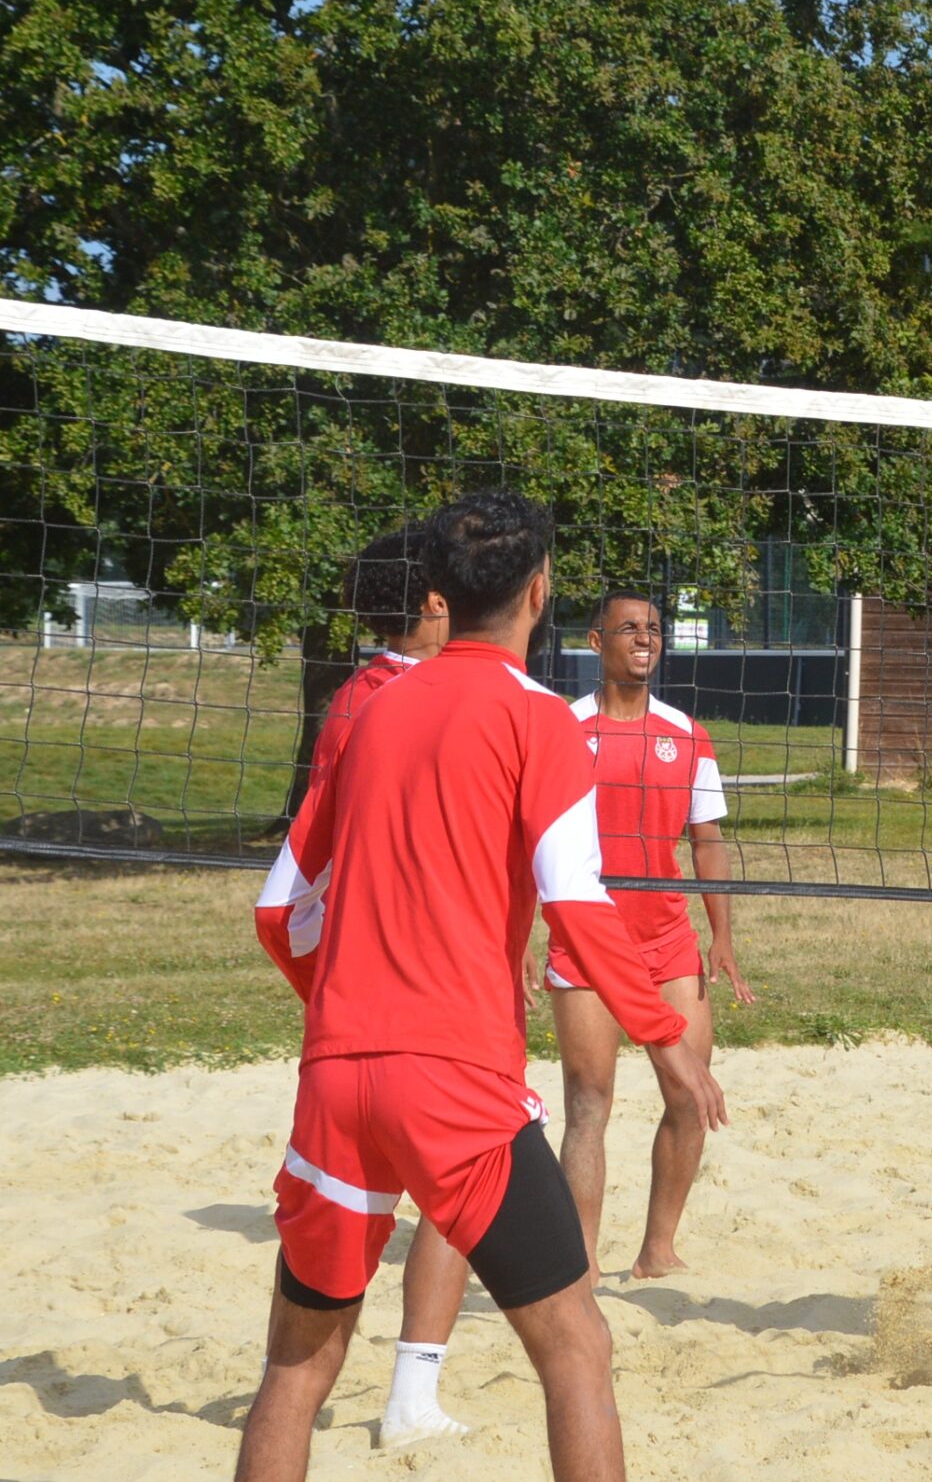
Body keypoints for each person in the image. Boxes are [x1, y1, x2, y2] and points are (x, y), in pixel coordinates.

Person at [235, 491, 725, 1482]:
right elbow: (576, 904)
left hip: (335, 1076)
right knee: (577, 1346)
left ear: (440, 591)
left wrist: (344, 1012)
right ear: (539, 592)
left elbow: (280, 911)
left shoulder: (366, 711)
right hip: (454, 1079)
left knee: (295, 1368)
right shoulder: (540, 718)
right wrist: (666, 1036)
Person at [251, 524, 471, 1450]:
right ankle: (412, 1392)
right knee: (466, 1194)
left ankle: (363, 1394)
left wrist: (330, 995)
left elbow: (286, 905)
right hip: (429, 1011)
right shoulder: (425, 703)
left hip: (356, 1028)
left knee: (322, 1273)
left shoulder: (353, 698)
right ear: (434, 601)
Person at [547, 590, 749, 1283]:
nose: (645, 638)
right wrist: (516, 942)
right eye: (629, 627)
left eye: (655, 628)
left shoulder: (687, 733)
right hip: (583, 940)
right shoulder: (561, 729)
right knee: (588, 1105)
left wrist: (721, 935)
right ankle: (580, 1263)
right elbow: (525, 845)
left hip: (667, 939)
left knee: (690, 1096)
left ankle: (657, 1249)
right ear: (595, 640)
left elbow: (707, 840)